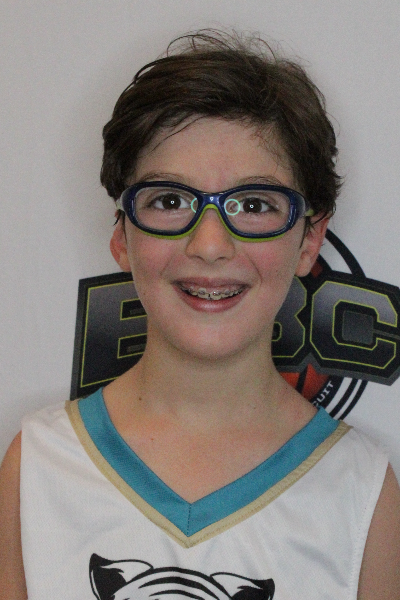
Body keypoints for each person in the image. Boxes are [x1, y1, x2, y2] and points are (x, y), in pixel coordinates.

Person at [1, 31, 400, 600]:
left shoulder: (361, 490)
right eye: (170, 201)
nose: (210, 244)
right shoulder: (38, 465)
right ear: (122, 235)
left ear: (310, 239)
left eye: (254, 204)